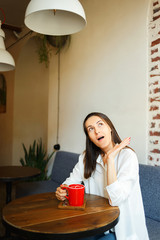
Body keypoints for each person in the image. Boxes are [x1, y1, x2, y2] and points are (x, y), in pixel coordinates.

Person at [56, 112, 149, 240]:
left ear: (110, 128)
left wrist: (110, 160)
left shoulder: (128, 157)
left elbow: (116, 199)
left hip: (121, 230)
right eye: (91, 129)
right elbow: (70, 182)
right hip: (96, 223)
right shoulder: (85, 158)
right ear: (89, 137)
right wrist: (62, 190)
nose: (97, 131)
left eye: (100, 124)